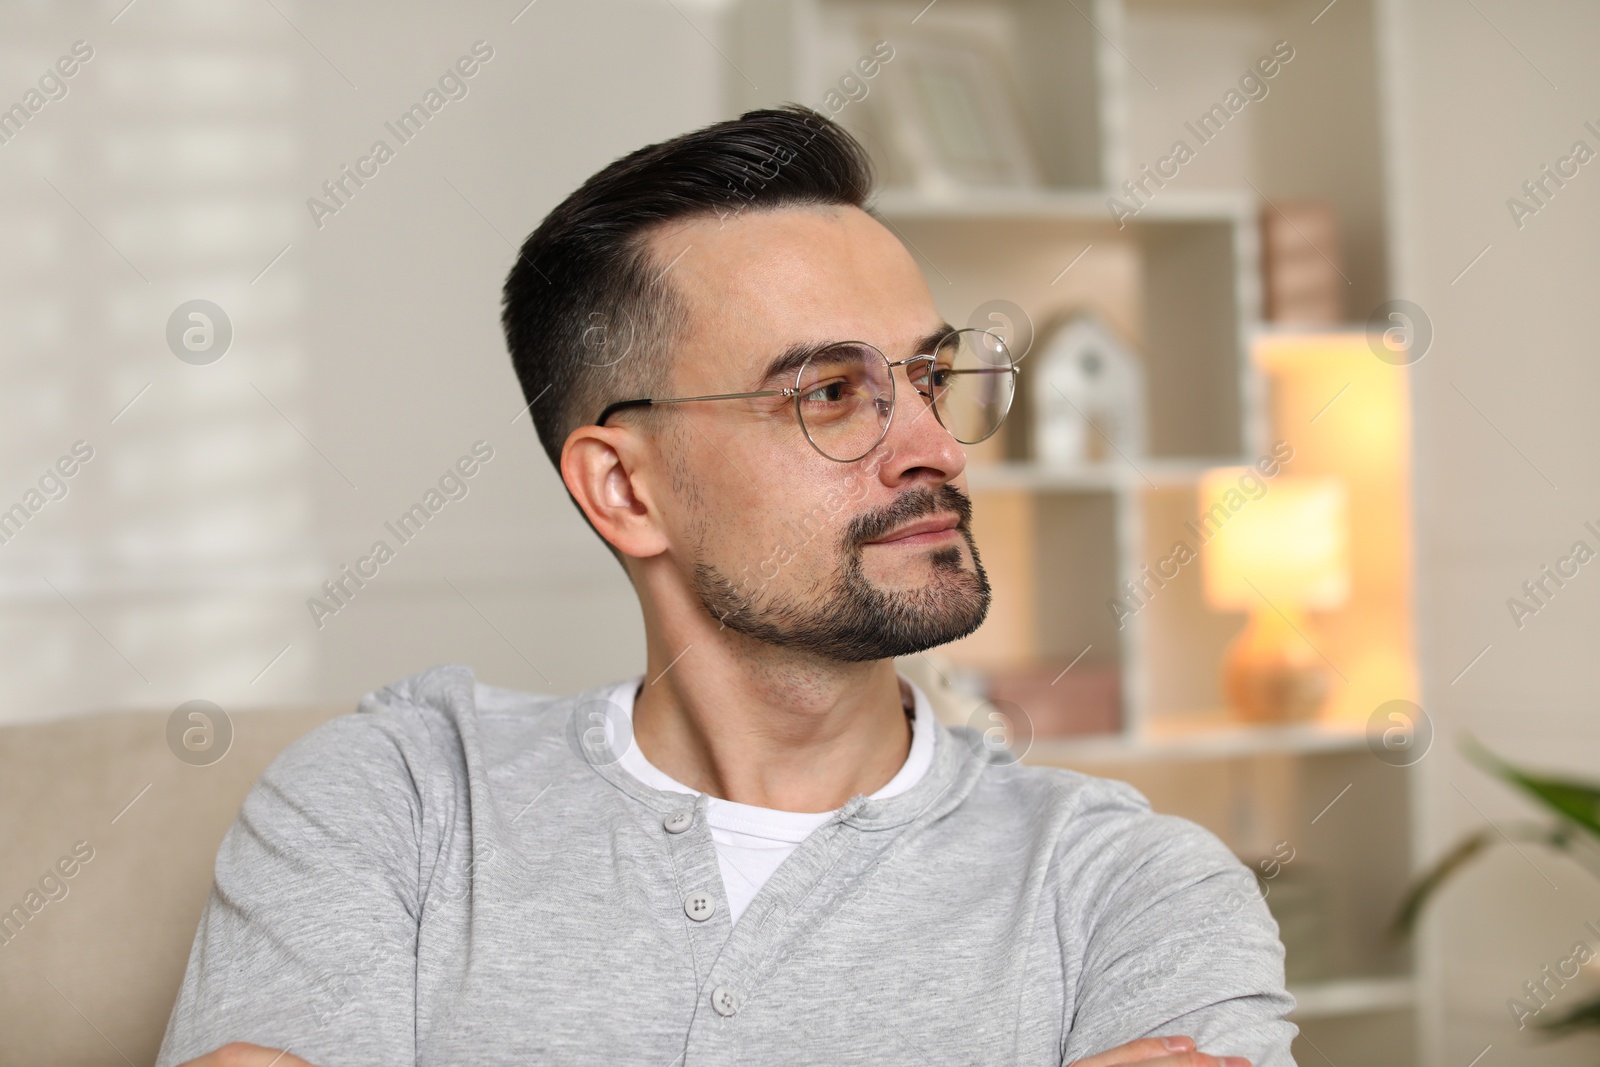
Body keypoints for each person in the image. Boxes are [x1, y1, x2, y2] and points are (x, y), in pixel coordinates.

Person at [156, 103, 1297, 1067]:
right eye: (831, 394)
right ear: (625, 490)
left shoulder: (1128, 889)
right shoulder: (391, 801)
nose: (937, 449)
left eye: (931, 377)